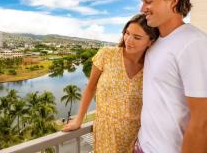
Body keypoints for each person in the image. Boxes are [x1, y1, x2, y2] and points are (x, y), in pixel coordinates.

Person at [136, 0, 207, 153]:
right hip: (143, 147)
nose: (142, 9)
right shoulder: (157, 42)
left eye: (148, 2)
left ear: (173, 1)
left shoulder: (196, 45)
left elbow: (203, 124)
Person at [62, 14, 159, 153]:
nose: (129, 40)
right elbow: (90, 88)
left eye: (137, 37)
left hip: (137, 137)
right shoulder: (107, 55)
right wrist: (79, 120)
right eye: (127, 33)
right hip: (105, 132)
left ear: (150, 41)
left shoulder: (152, 66)